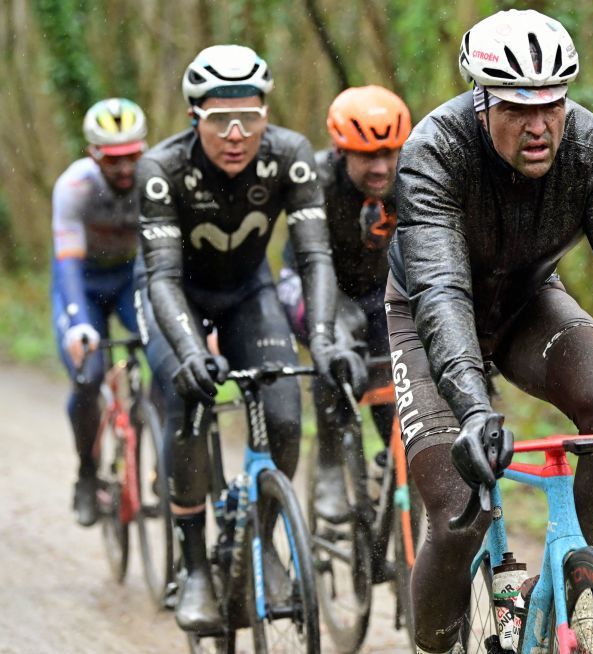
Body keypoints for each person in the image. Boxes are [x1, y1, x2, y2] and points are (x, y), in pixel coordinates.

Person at [385, 10, 593, 653]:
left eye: (552, 105)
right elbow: (443, 292)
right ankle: (434, 645)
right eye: (516, 108)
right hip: (428, 319)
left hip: (528, 304)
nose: (539, 126)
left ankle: (591, 596)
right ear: (480, 102)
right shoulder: (434, 152)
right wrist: (474, 409)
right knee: (459, 508)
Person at [135, 44, 352, 632]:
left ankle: (263, 542)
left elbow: (315, 257)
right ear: (193, 118)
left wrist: (326, 338)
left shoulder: (290, 156)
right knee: (187, 399)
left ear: (266, 113)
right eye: (219, 120)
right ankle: (195, 565)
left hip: (246, 293)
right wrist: (187, 351)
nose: (237, 134)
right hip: (173, 293)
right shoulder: (161, 169)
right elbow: (162, 276)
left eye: (250, 117)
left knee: (283, 415)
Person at [276, 85, 411, 523]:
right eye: (367, 156)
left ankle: (393, 464)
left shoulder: (410, 178)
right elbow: (314, 264)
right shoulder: (315, 179)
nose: (381, 166)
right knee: (335, 339)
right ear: (340, 151)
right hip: (311, 284)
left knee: (399, 360)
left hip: (376, 292)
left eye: (390, 154)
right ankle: (331, 466)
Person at [51, 97, 147, 527]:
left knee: (167, 360)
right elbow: (67, 262)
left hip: (129, 279)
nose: (125, 169)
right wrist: (78, 325)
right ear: (94, 154)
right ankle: (87, 475)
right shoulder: (75, 187)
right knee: (88, 374)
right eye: (113, 160)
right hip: (83, 283)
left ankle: (169, 467)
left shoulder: (154, 179)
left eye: (132, 157)